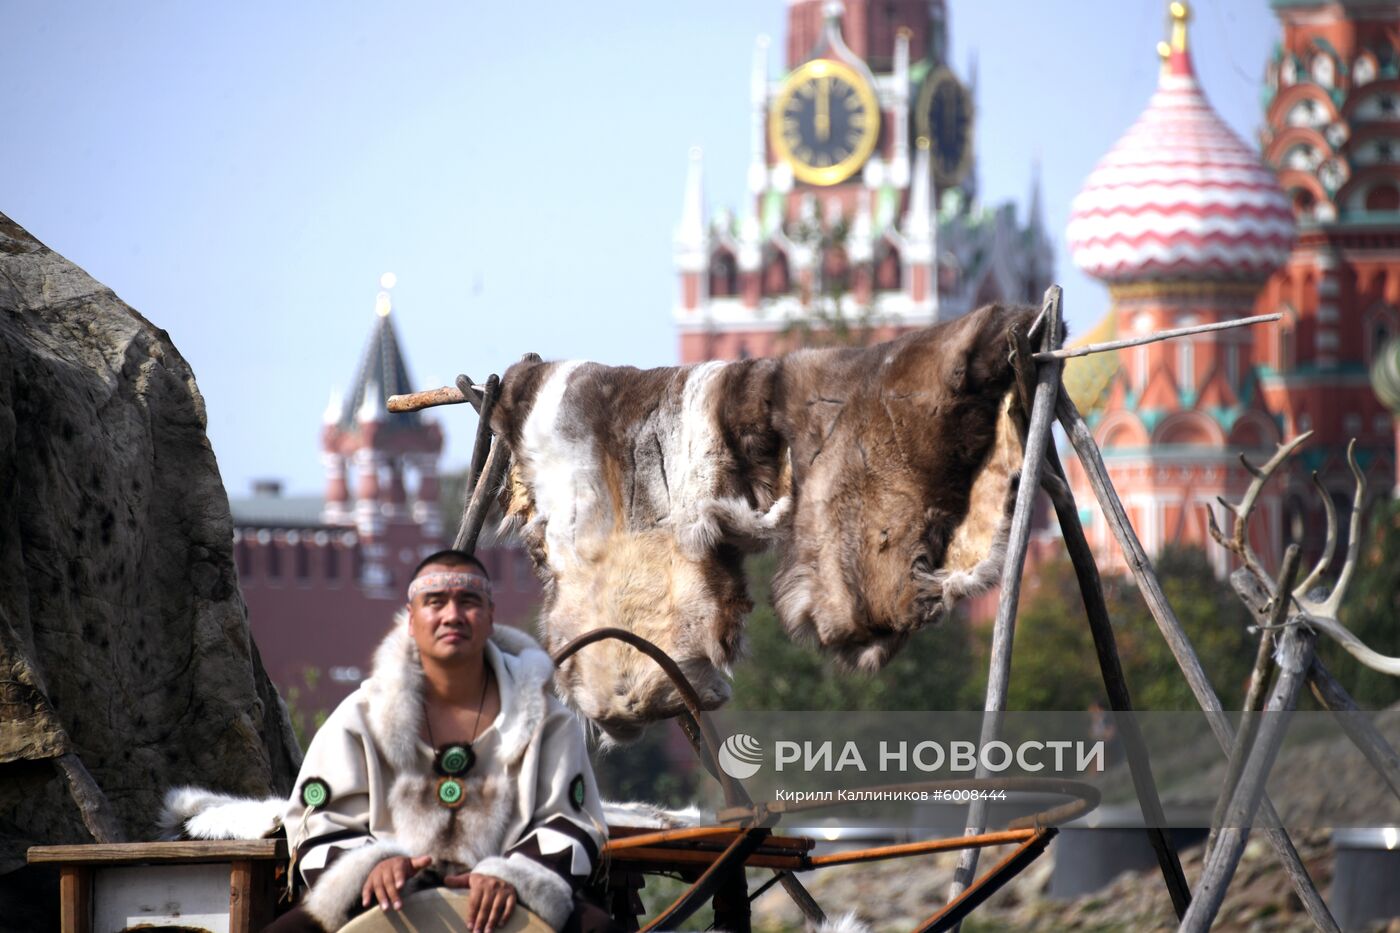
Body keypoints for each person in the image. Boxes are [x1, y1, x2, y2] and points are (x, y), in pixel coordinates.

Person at [264, 550, 608, 933]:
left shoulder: (548, 720)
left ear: (490, 617)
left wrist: (511, 877)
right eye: (435, 602)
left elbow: (570, 819)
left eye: (469, 601)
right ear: (411, 619)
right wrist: (372, 866)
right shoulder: (360, 717)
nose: (452, 615)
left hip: (509, 901)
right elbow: (318, 819)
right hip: (384, 900)